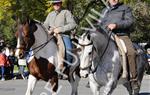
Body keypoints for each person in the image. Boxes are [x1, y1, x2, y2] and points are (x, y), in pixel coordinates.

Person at [100, 0, 139, 89]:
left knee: (131, 53)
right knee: (93, 48)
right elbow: (100, 24)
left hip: (122, 35)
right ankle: (93, 74)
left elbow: (130, 22)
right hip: (106, 36)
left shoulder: (126, 8)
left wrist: (116, 25)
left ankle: (134, 79)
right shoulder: (104, 10)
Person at [44, 0, 77, 74]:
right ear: (52, 5)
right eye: (54, 4)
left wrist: (60, 29)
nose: (56, 5)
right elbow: (45, 25)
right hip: (51, 36)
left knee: (68, 50)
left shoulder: (66, 12)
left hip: (63, 35)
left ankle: (67, 68)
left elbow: (73, 24)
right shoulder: (50, 14)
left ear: (61, 4)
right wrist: (48, 30)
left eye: (57, 3)